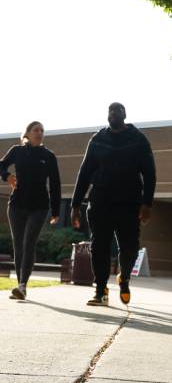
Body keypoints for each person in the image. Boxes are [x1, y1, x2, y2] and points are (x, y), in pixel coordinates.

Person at [71, 103, 156, 306]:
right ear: (107, 115)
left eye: (118, 110)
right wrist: (75, 205)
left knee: (130, 247)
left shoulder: (138, 139)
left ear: (125, 115)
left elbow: (150, 173)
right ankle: (100, 290)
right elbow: (84, 173)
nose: (114, 113)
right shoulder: (98, 140)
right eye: (111, 110)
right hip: (100, 201)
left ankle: (124, 278)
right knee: (99, 246)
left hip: (129, 203)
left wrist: (147, 203)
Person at [0, 121, 61, 300]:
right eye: (36, 130)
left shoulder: (49, 156)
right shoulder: (17, 151)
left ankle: (22, 285)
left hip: (39, 207)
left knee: (29, 243)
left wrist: (56, 211)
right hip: (16, 205)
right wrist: (7, 176)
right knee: (18, 245)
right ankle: (21, 285)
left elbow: (56, 185)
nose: (40, 133)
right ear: (27, 133)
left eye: (42, 130)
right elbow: (1, 165)